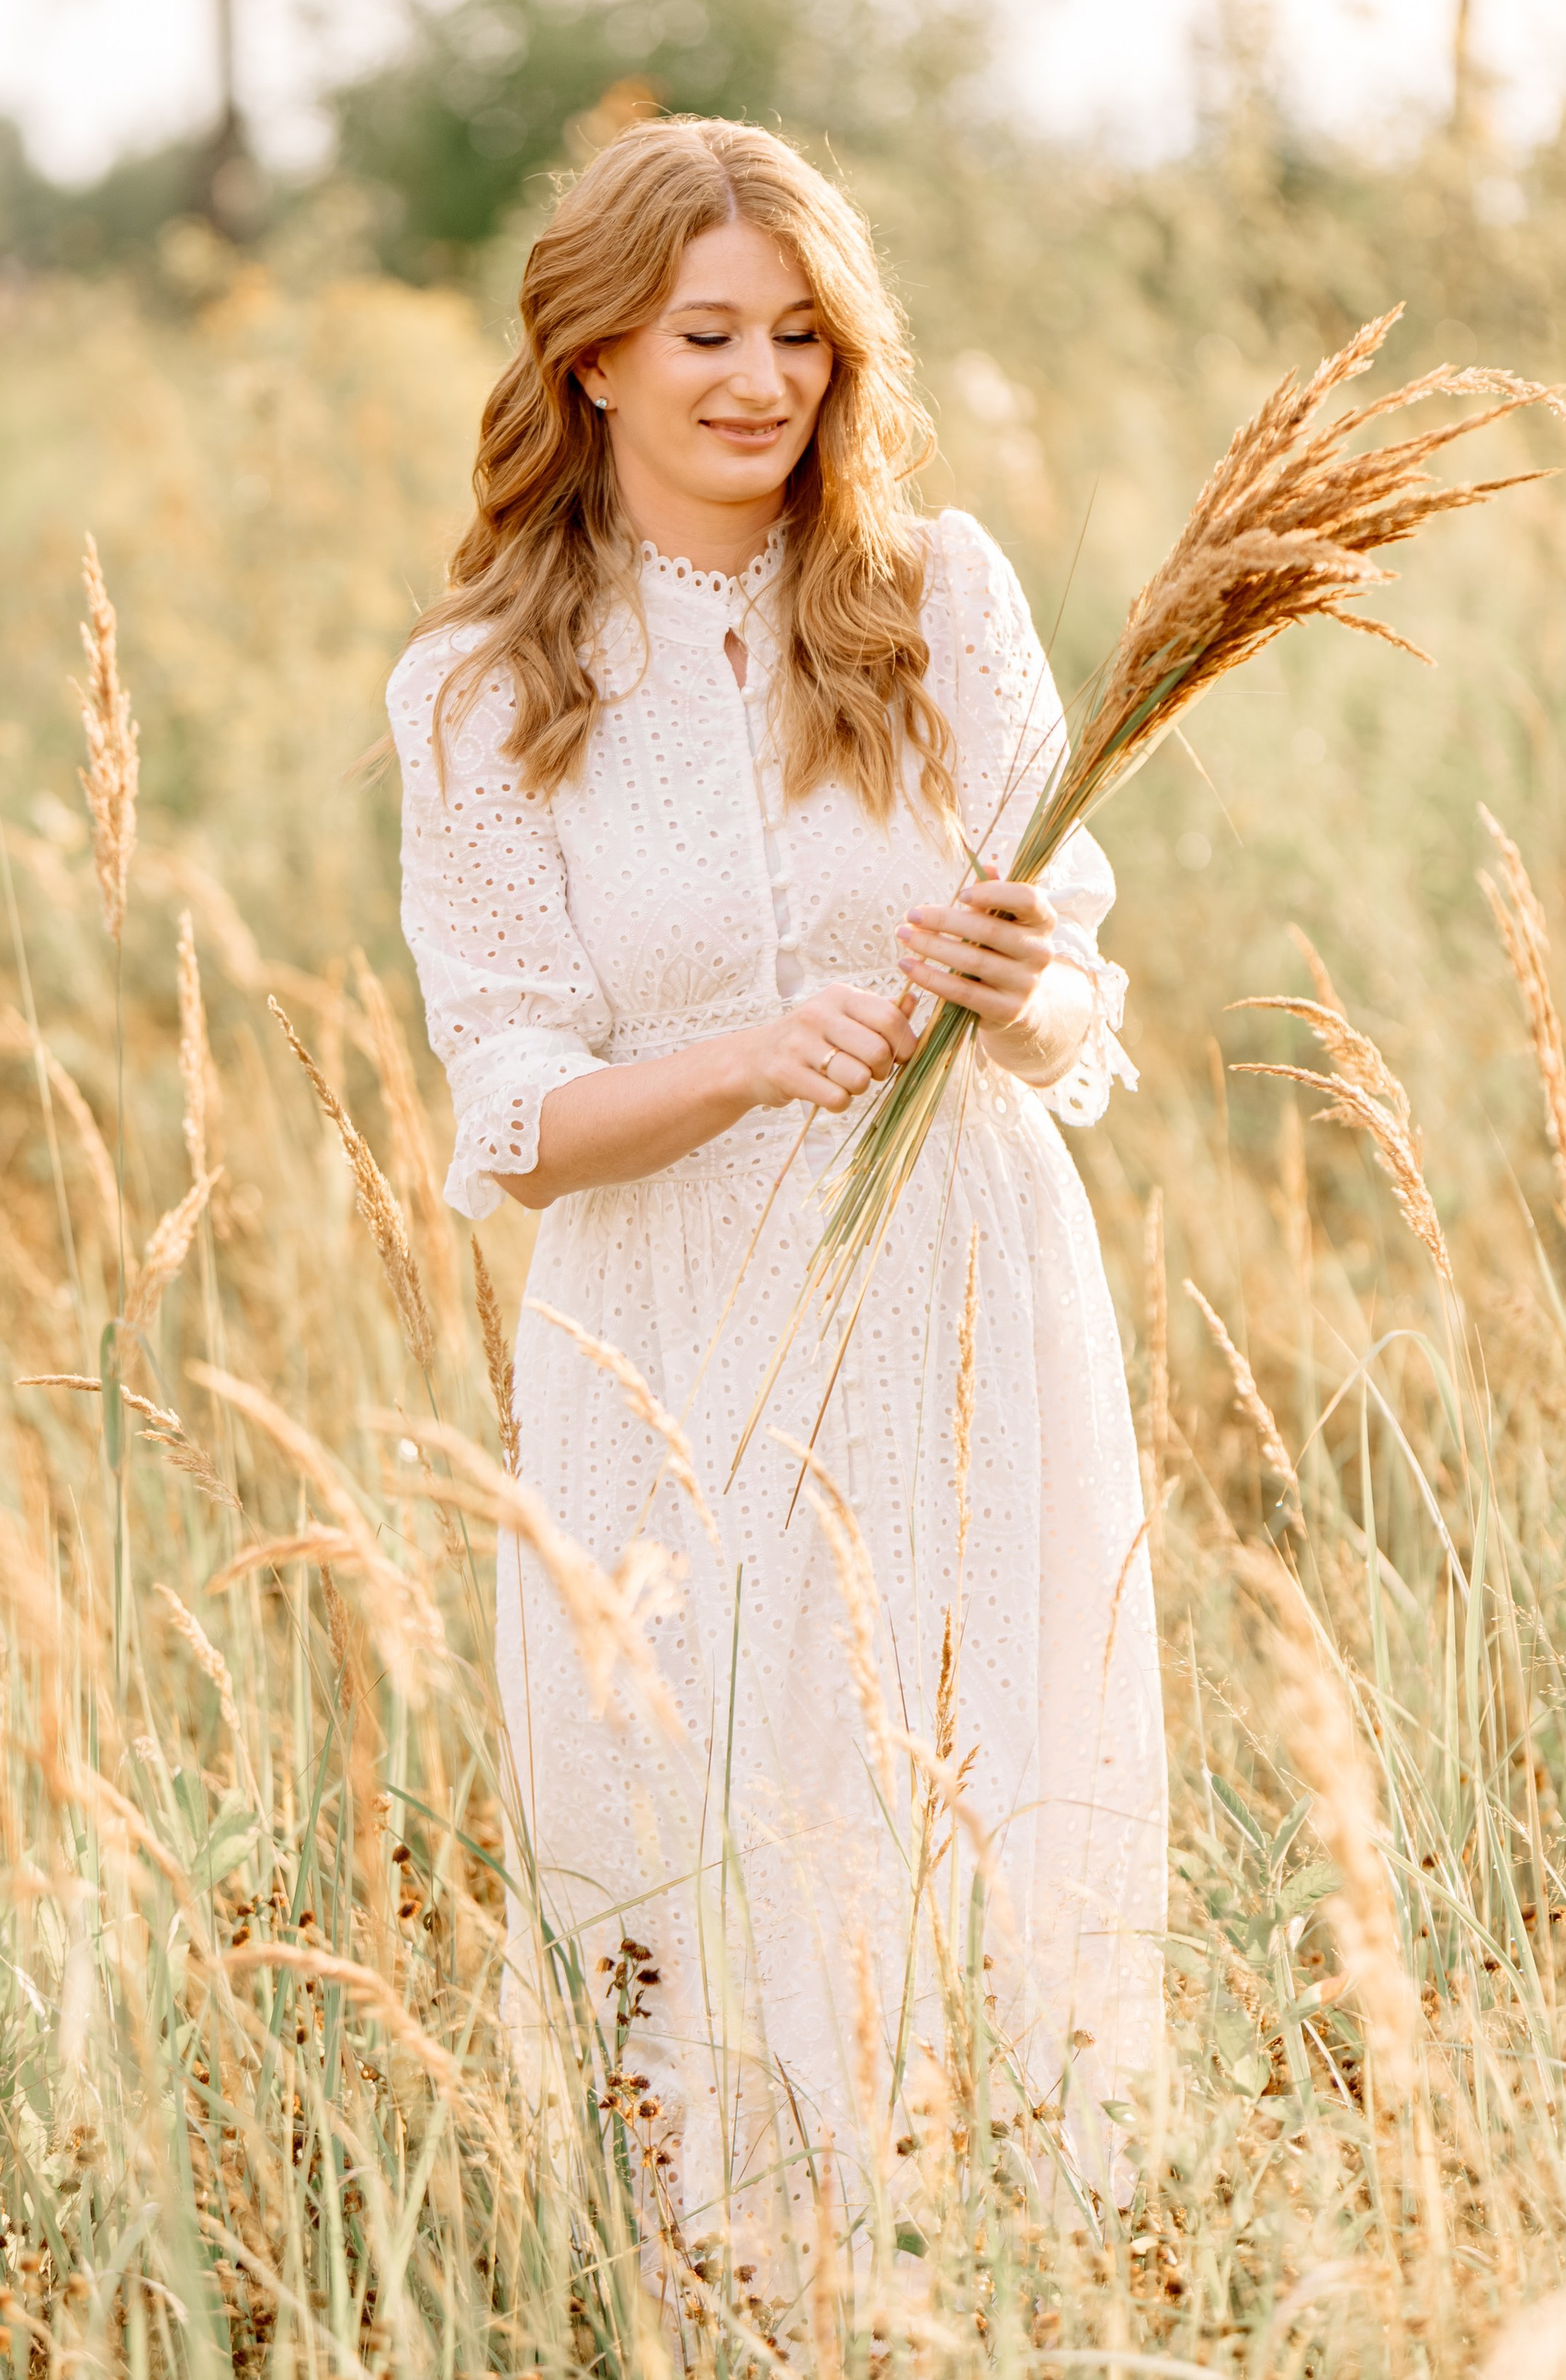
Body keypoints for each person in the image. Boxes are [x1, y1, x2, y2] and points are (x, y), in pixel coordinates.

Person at [385, 117, 1164, 2270]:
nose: (762, 378)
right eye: (707, 330)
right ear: (594, 360)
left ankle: (990, 2258)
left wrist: (1024, 984)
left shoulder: (942, 598)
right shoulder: (476, 691)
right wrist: (737, 1058)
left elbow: (1075, 992)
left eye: (803, 336)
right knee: (701, 1795)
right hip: (669, 1322)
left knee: (962, 1767)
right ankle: (733, 2284)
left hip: (962, 1282)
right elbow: (517, 1108)